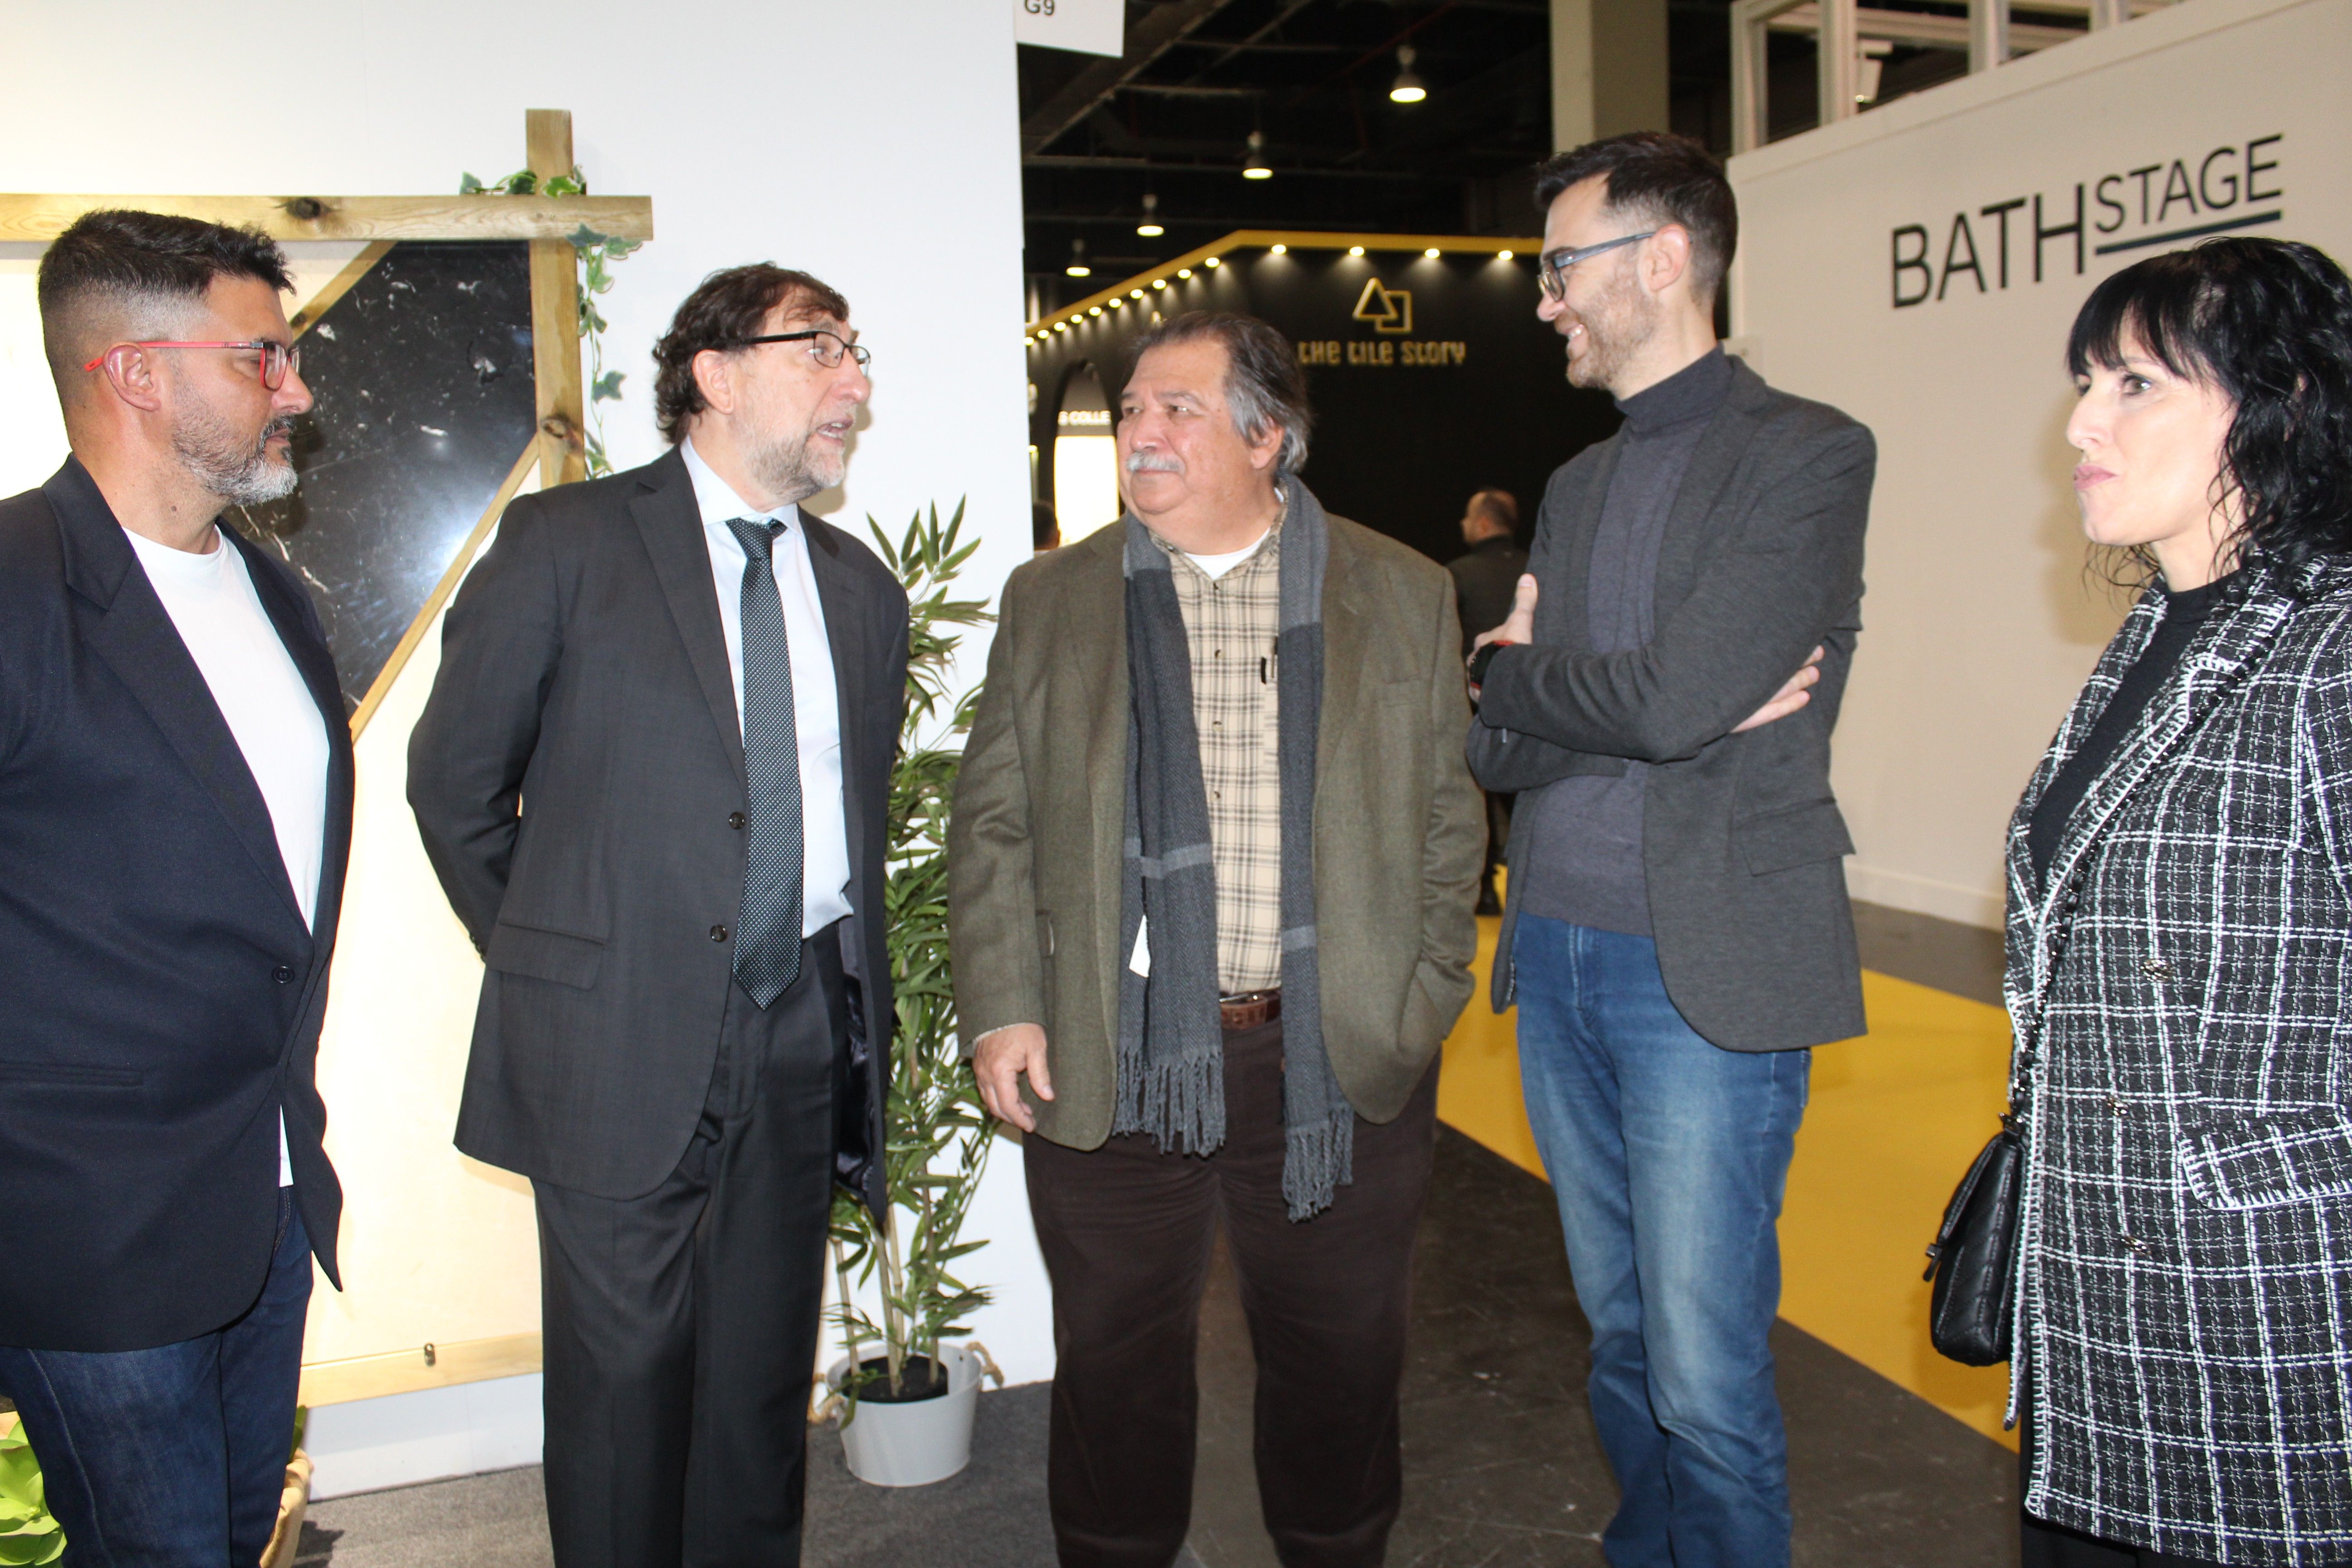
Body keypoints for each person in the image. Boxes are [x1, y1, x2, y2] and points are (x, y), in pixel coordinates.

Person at [949, 310, 1485, 1568]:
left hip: (1331, 1057)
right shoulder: (1055, 597)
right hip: (1112, 1053)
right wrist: (1005, 1002)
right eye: (1135, 408)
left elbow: (1448, 822)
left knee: (1340, 1363)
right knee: (1113, 1365)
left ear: (1267, 437)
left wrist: (1413, 999)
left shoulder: (1398, 591)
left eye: (1176, 408)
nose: (1141, 430)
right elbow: (994, 821)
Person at [407, 264, 908, 1568]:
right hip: (614, 1039)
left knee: (758, 1388)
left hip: (802, 1024)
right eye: (823, 350)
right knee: (622, 1395)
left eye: (858, 354)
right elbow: (454, 785)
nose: (855, 382)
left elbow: (848, 817)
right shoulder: (567, 543)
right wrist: (565, 969)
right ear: (717, 373)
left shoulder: (861, 590)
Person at [1464, 131, 1872, 1568]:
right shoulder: (1577, 485)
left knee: (1703, 1369)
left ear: (1664, 258)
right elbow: (1499, 746)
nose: (1545, 302)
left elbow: (1664, 702)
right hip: (1557, 955)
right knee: (1623, 1339)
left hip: (1702, 972)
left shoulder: (1808, 453)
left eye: (1562, 267)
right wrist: (1570, 694)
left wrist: (1541, 680)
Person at [0, 210, 354, 1564]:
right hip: (90, 1223)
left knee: (239, 1537)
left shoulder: (276, 596)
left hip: (266, 1197)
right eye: (262, 356)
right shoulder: (15, 586)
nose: (295, 390)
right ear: (138, 373)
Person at [2005, 237, 2352, 1568]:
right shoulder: (2161, 629)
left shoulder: (2333, 649)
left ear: (2283, 401)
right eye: (2087, 382)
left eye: (2136, 384)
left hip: (2268, 1336)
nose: (2081, 423)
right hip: (2103, 1309)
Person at [1449, 488, 1528, 913]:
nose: (1462, 525)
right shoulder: (1537, 570)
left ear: (1482, 525)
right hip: (1533, 707)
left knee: (1475, 798)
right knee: (1526, 798)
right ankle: (1525, 887)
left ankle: (1484, 889)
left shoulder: (1458, 574)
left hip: (1473, 707)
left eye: (1467, 517)